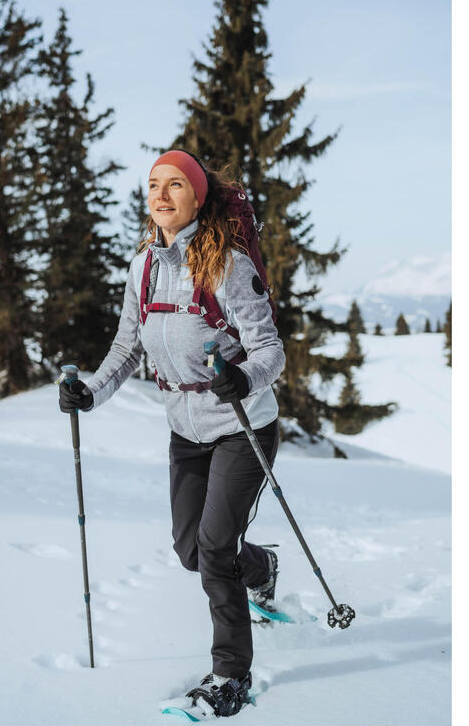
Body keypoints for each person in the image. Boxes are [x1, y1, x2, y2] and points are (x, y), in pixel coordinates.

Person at [59, 149, 286, 718]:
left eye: (175, 185)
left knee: (213, 550)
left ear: (198, 196)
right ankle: (262, 567)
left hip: (241, 427)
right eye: (154, 184)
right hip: (185, 433)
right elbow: (126, 347)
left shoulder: (228, 266)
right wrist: (91, 391)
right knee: (192, 551)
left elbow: (270, 350)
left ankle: (230, 674)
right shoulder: (143, 268)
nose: (161, 195)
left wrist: (242, 377)